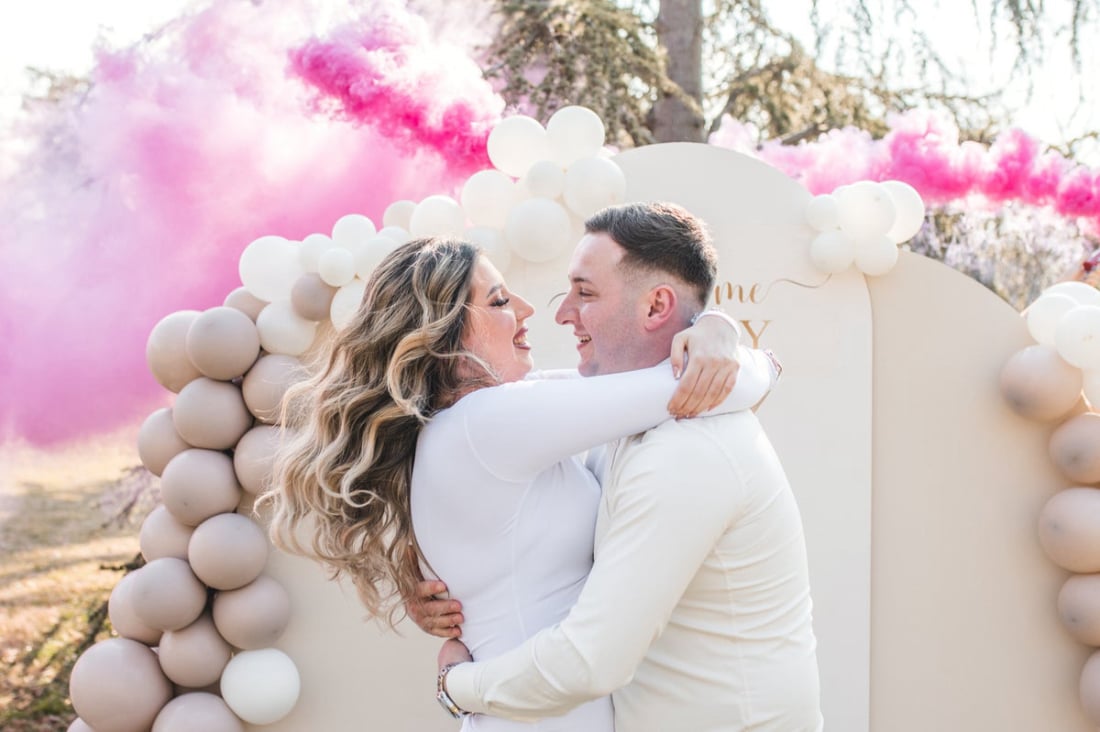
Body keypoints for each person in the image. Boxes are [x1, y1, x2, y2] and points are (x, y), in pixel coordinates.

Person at [261, 233, 777, 732]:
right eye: (500, 301)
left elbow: (643, 383)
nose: (528, 309)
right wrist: (743, 350)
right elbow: (712, 385)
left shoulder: (467, 425)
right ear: (445, 333)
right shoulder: (488, 424)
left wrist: (717, 326)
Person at [427, 202, 823, 731]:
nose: (562, 313)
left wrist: (457, 686)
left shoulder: (687, 451)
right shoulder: (618, 415)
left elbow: (588, 661)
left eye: (585, 293)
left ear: (656, 305)